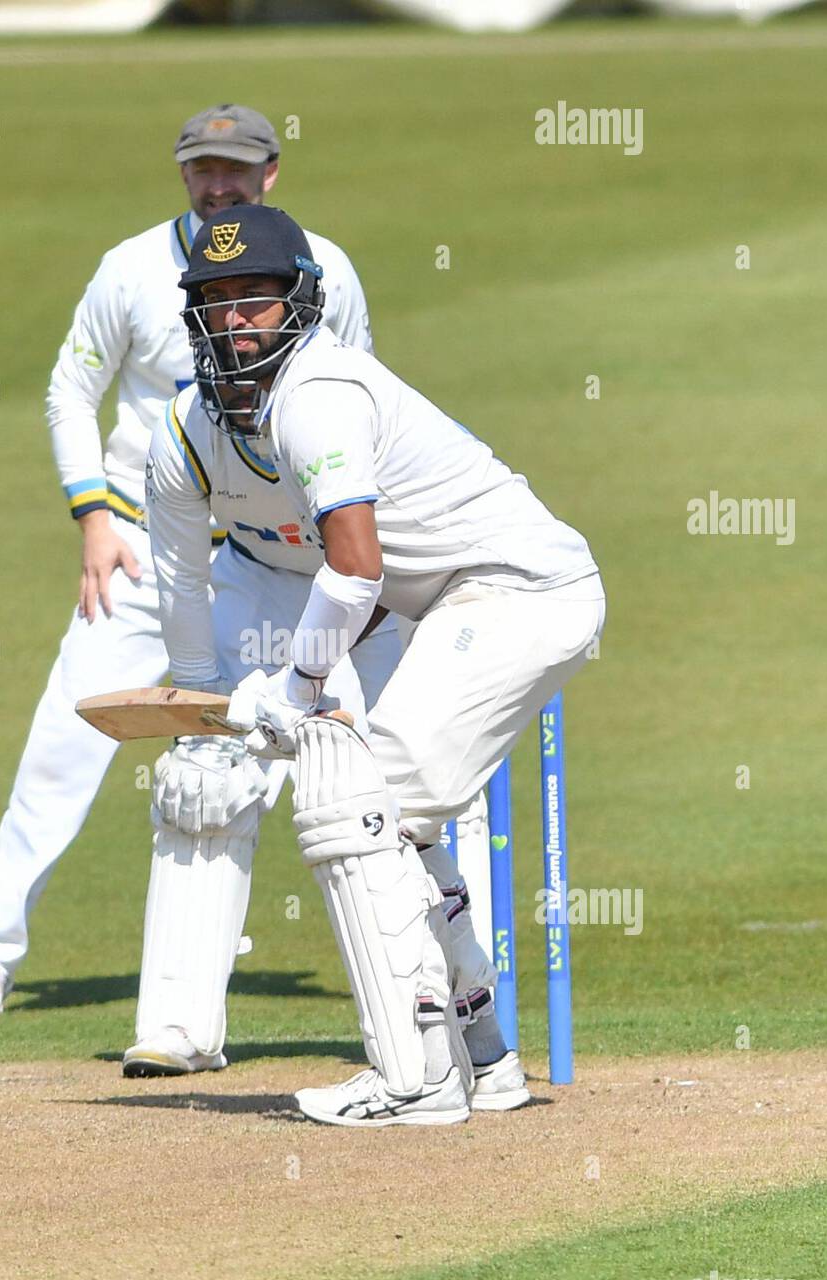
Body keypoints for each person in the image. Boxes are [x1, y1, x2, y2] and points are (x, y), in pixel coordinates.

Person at [145, 204, 606, 1125]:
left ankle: (418, 1079)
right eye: (217, 300)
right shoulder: (186, 432)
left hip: (520, 587)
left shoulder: (319, 394)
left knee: (361, 800)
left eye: (256, 300)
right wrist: (204, 710)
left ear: (301, 305)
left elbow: (355, 568)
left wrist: (295, 686)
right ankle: (482, 1056)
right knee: (403, 818)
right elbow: (179, 583)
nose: (236, 320)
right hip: (453, 604)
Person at [0, 106, 376, 1054]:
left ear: (271, 172)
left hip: (275, 553)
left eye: (234, 169)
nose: (216, 184)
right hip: (145, 545)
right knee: (65, 740)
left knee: (273, 752)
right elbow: (71, 387)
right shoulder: (131, 270)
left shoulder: (323, 267)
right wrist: (91, 514)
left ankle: (280, 973)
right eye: (200, 170)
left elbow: (357, 391)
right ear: (183, 175)